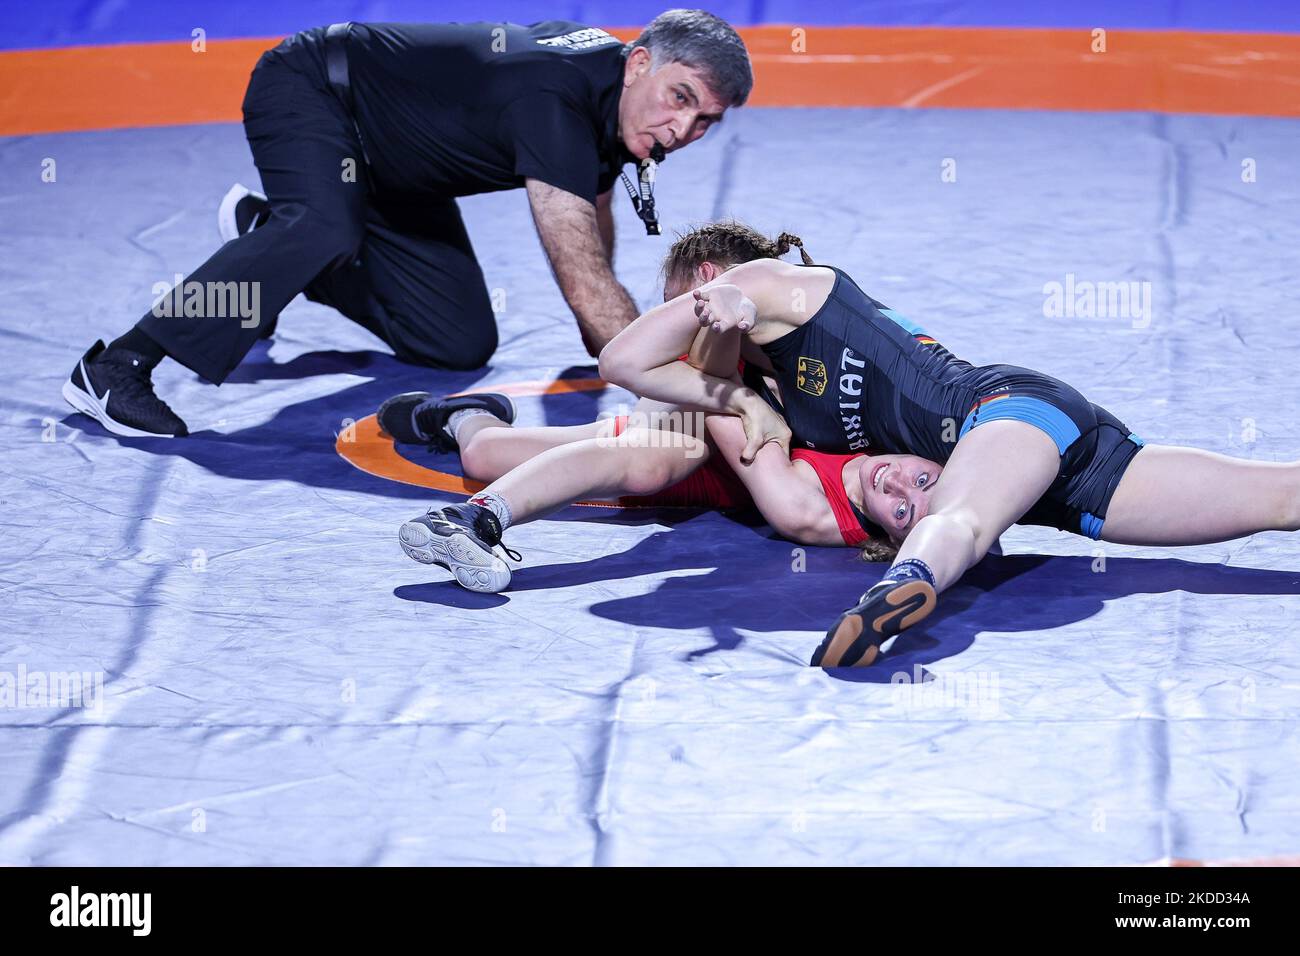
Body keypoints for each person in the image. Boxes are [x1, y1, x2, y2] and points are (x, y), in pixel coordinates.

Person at [597, 221, 1300, 667]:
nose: (679, 327)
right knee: (1278, 497)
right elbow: (667, 378)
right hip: (1063, 474)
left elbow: (622, 360)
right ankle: (914, 576)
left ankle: (905, 584)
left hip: (1004, 413)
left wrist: (738, 306)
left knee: (954, 523)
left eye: (678, 306)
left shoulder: (773, 286)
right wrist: (744, 394)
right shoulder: (768, 384)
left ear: (707, 282)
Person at [63, 11, 752, 438]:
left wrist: (610, 348)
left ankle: (266, 236)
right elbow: (582, 275)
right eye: (679, 99)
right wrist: (692, 395)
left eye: (704, 122)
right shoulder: (556, 98)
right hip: (315, 92)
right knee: (323, 226)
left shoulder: (615, 103)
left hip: (400, 169)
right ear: (639, 64)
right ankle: (117, 363)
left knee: (456, 344)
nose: (682, 130)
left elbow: (595, 222)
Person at [377, 384, 911, 592]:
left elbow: (723, 404)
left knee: (482, 453)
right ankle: (474, 495)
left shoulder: (815, 514)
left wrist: (754, 385)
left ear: (888, 536)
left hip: (682, 442)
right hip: (680, 420)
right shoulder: (889, 433)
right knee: (487, 454)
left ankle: (465, 439)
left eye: (904, 511)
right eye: (923, 478)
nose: (898, 485)